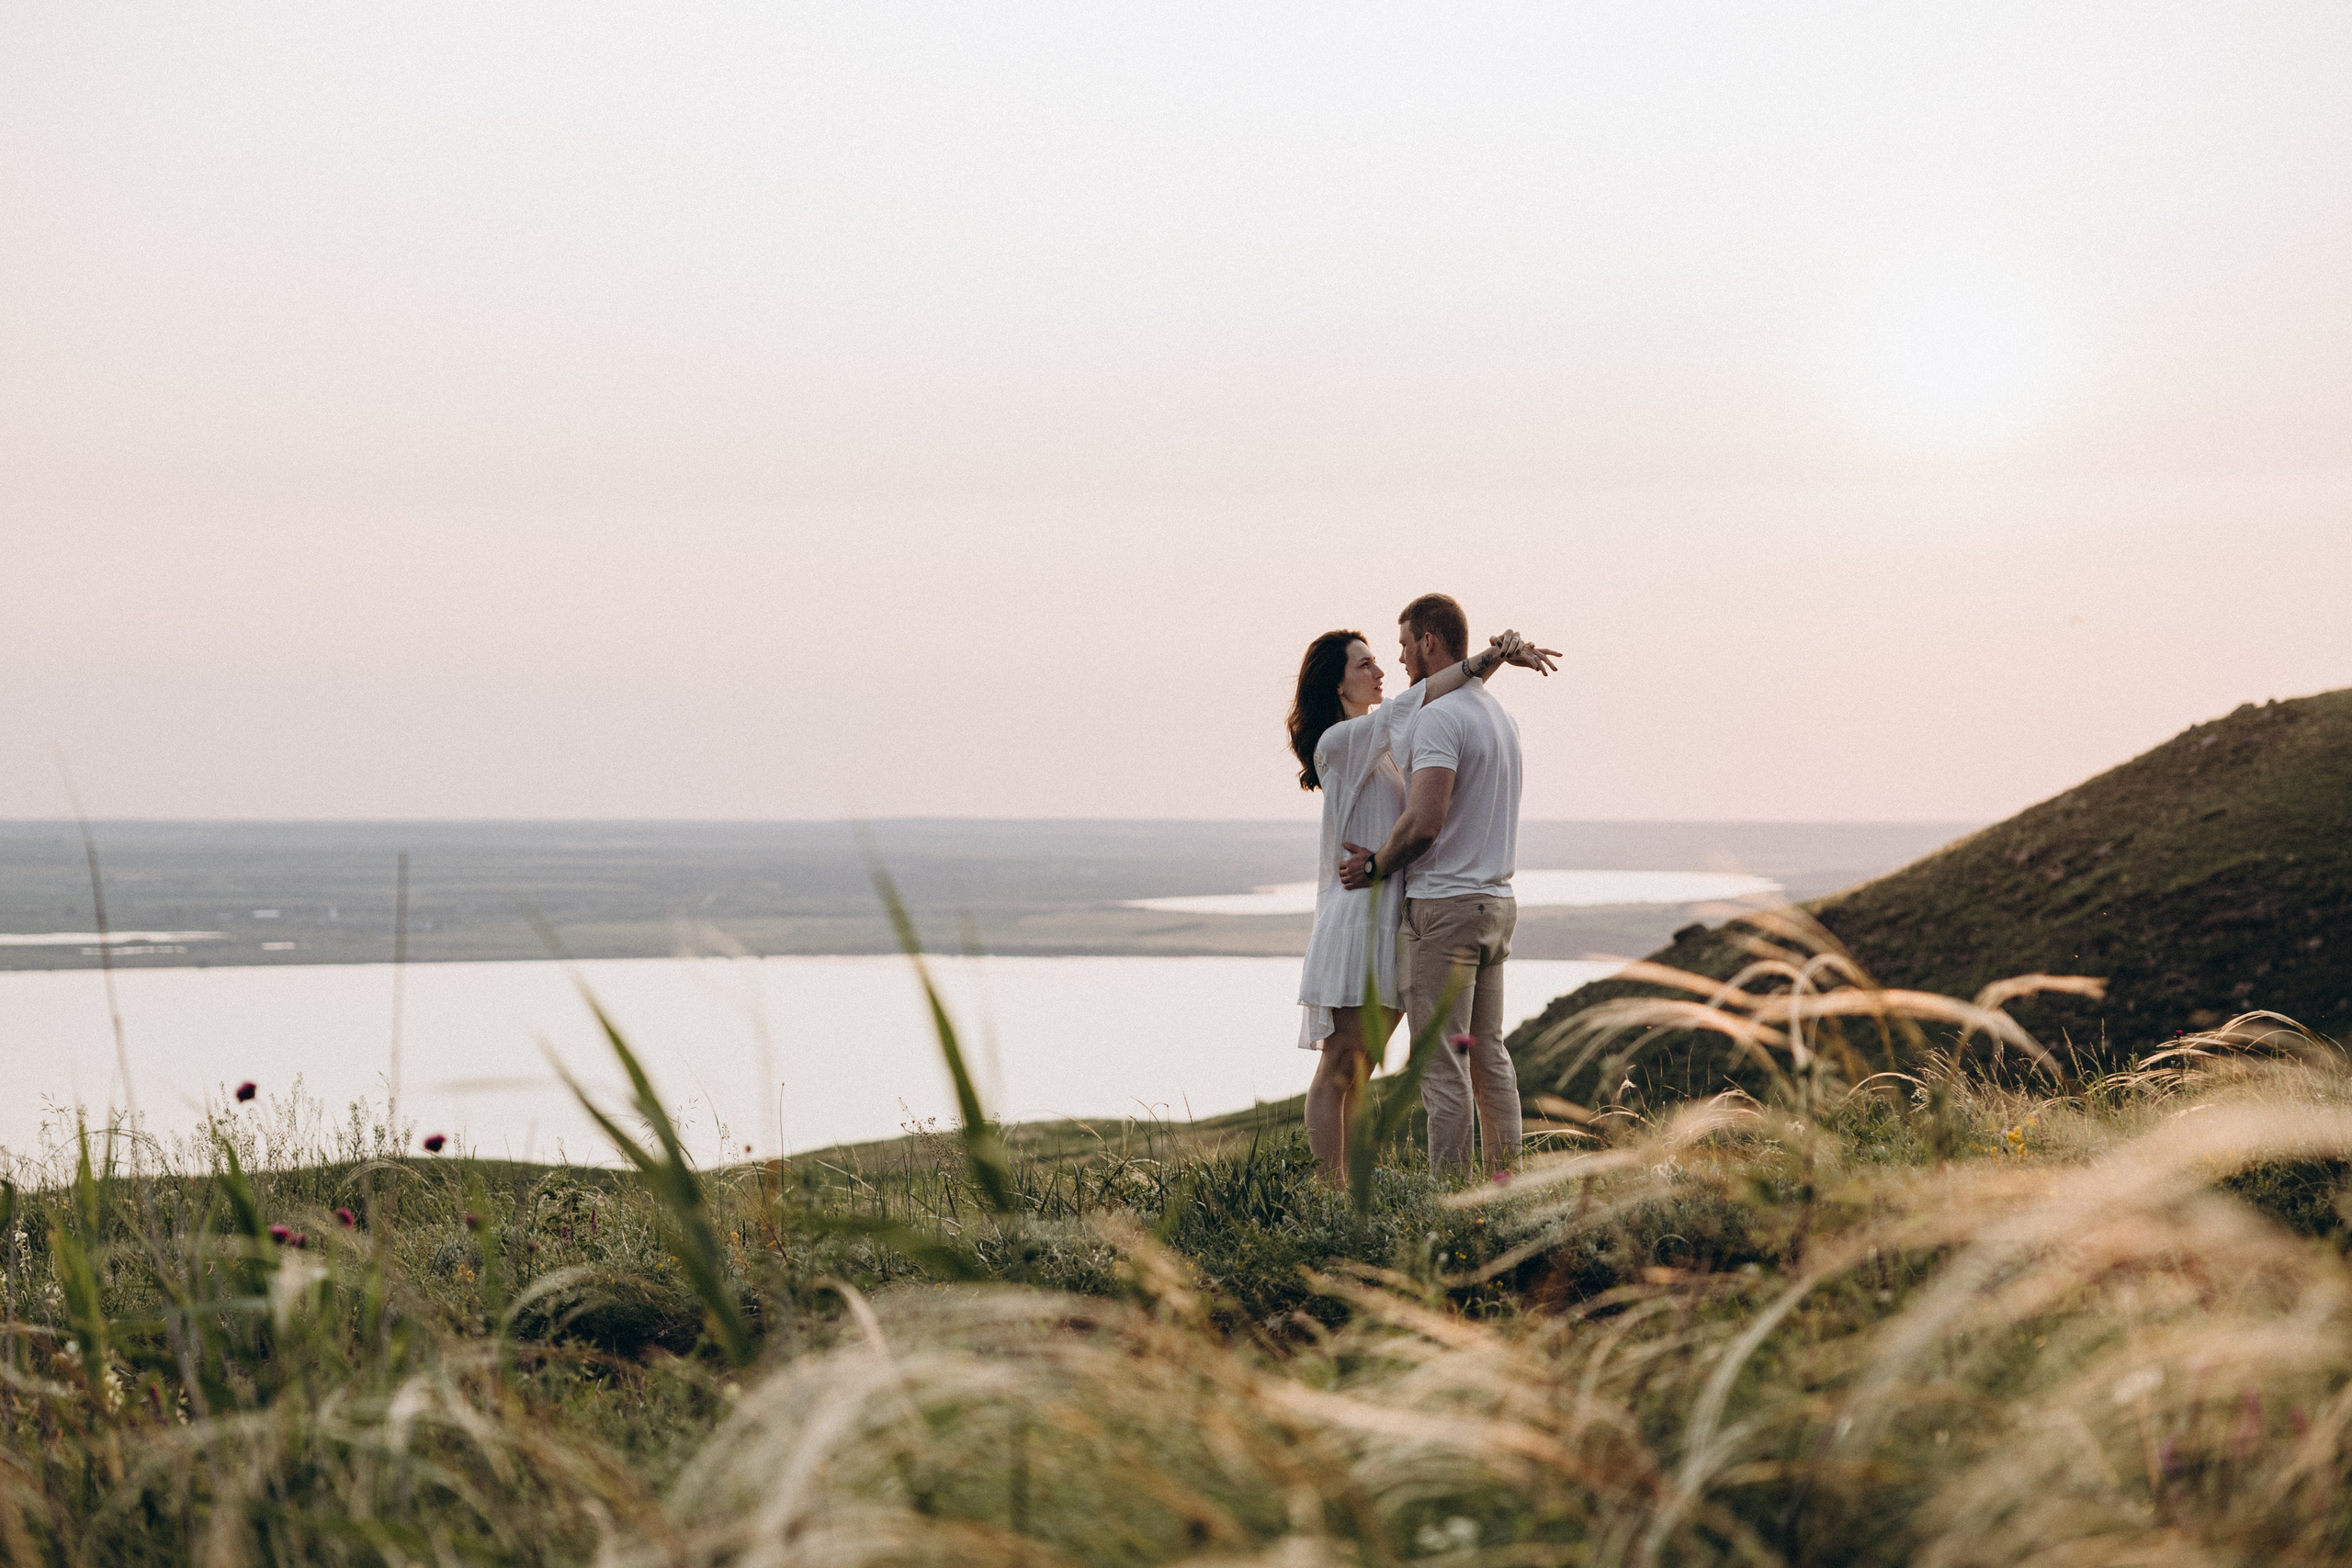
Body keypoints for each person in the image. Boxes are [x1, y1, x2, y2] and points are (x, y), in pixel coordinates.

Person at [1289, 616, 1555, 1180]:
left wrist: (1493, 664)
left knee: (1364, 1070)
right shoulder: (1339, 742)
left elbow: (1445, 711)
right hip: (1358, 918)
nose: (1382, 668)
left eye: (1385, 656)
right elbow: (1427, 693)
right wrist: (1493, 658)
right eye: (1365, 664)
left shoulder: (1383, 745)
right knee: (1340, 1067)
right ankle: (1328, 1191)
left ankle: (1356, 1186)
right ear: (1338, 685)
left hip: (1394, 917)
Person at [1339, 592, 1530, 1172]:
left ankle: (1448, 1201)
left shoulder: (1440, 718)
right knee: (1488, 1056)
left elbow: (1423, 823)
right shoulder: (1499, 716)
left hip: (1445, 909)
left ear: (1428, 642)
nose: (1398, 660)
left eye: (1402, 645)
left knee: (1440, 1063)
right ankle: (1503, 1184)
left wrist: (1374, 867)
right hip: (1496, 905)